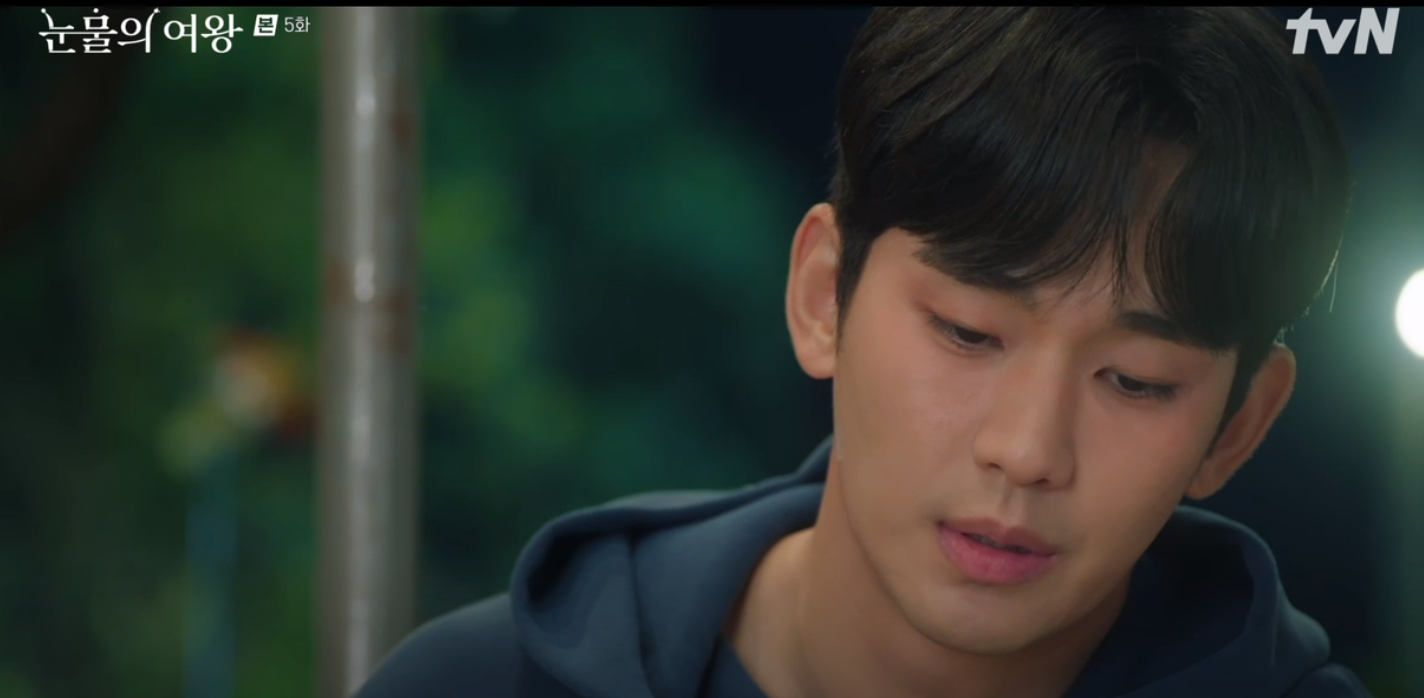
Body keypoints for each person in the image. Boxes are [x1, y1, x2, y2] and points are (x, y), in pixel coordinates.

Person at [354, 7, 1369, 698]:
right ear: (820, 297)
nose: (1025, 450)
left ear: (1237, 425)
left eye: (1135, 382)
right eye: (967, 331)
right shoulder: (475, 683)